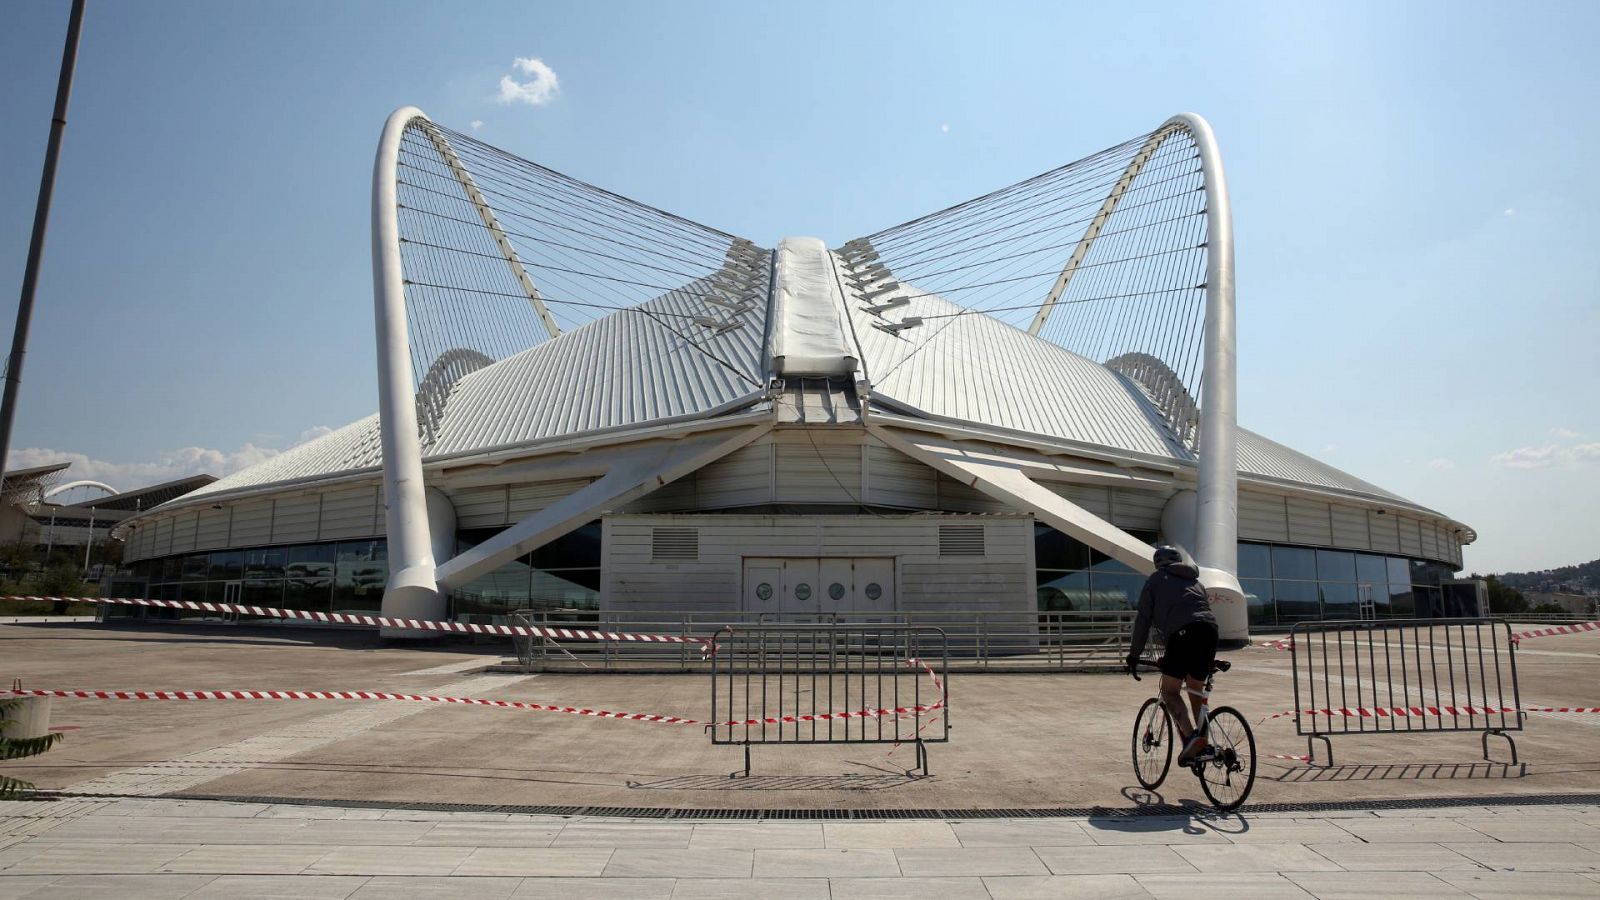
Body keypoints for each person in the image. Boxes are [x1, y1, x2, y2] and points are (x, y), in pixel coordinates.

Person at [1126, 545, 1218, 765]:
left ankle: (1191, 739)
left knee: (1169, 691)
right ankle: (1203, 745)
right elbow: (1195, 615)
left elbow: (1143, 620)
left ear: (1158, 563)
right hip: (1210, 632)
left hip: (1182, 635)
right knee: (1195, 688)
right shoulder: (1196, 582)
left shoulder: (1156, 580)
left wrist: (1134, 655)